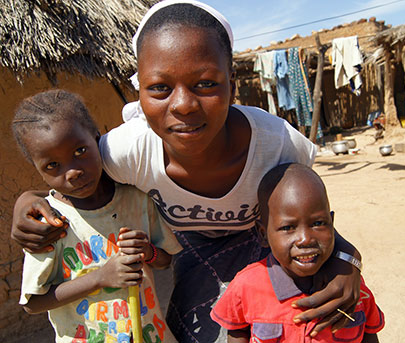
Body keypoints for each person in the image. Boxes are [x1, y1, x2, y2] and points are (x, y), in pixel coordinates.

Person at [10, 1, 362, 342]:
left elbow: (307, 211)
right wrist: (31, 199)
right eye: (160, 88)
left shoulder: (277, 144)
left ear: (233, 83)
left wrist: (347, 259)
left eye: (206, 84)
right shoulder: (126, 152)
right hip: (190, 250)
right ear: (140, 91)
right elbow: (76, 182)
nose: (183, 105)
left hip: (264, 244)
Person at [13, 90, 182, 342]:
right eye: (52, 166)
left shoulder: (136, 199)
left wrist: (147, 252)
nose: (72, 172)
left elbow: (165, 260)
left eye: (80, 151)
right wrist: (100, 278)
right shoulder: (48, 222)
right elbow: (33, 302)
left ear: (96, 139)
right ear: (38, 170)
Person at [211, 163, 384, 343]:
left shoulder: (350, 286)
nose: (305, 239)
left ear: (332, 224)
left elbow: (369, 334)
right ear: (263, 234)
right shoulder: (245, 287)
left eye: (318, 223)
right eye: (288, 227)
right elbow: (237, 332)